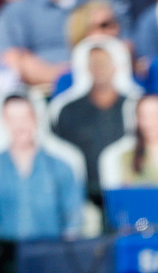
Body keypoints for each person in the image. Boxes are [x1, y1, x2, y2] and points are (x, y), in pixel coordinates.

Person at [0, 94, 84, 243]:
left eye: (25, 117)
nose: (20, 125)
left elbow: (73, 221)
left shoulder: (62, 167)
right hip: (6, 256)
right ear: (3, 121)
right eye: (12, 119)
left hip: (51, 252)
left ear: (36, 118)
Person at [53, 41, 131, 199]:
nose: (99, 68)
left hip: (127, 193)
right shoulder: (68, 110)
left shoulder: (134, 105)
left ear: (116, 65)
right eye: (94, 63)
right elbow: (60, 154)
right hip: (83, 195)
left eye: (104, 62)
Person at [0, 0, 93, 89]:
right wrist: (62, 76)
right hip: (39, 93)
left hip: (96, 83)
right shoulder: (18, 10)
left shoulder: (98, 6)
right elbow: (6, 59)